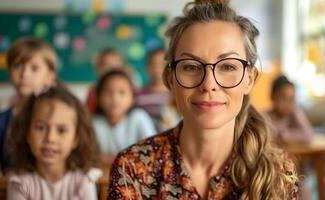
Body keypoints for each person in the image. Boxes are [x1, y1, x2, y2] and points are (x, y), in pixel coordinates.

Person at [108, 0, 299, 199]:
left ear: (249, 79)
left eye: (227, 66)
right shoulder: (132, 168)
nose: (208, 84)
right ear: (170, 78)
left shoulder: (279, 172)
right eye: (191, 66)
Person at [7, 87, 102, 200]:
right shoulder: (20, 182)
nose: (50, 138)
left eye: (61, 130)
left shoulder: (83, 181)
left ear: (76, 138)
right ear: (27, 133)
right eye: (41, 128)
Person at [0, 37, 58, 174]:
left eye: (34, 68)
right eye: (17, 66)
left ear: (50, 76)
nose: (24, 74)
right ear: (9, 72)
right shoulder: (0, 120)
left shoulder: (60, 117)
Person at [93, 70, 156, 166]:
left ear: (133, 98)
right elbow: (87, 156)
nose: (115, 98)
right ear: (98, 97)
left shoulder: (138, 118)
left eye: (122, 92)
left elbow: (153, 151)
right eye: (108, 92)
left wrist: (110, 158)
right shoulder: (93, 123)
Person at [86, 48, 142, 114]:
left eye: (116, 65)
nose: (112, 69)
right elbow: (88, 113)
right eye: (106, 65)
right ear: (98, 69)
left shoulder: (128, 87)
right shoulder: (93, 92)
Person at [267, 75, 313, 145]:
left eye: (292, 99)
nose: (288, 103)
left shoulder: (294, 114)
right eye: (283, 98)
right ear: (272, 96)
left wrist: (283, 135)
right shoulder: (264, 117)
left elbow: (309, 136)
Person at [136, 48, 173, 131]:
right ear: (147, 67)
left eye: (162, 65)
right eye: (154, 64)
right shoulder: (138, 95)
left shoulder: (175, 94)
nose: (158, 69)